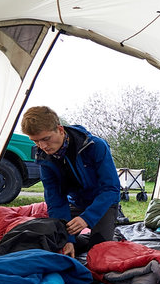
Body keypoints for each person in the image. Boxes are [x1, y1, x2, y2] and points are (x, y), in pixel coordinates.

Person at [20, 105, 121, 257]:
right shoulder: (44, 158)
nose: (43, 146)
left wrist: (87, 218)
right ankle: (82, 239)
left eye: (46, 139)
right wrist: (68, 239)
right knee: (56, 244)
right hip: (76, 204)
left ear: (60, 130)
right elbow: (55, 200)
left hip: (103, 204)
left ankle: (112, 236)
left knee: (98, 252)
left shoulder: (95, 146)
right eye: (36, 142)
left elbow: (111, 188)